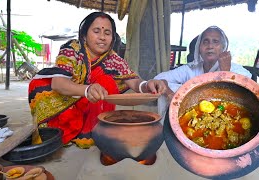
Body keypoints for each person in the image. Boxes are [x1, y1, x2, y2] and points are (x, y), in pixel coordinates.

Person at [28, 12, 167, 148]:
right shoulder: (72, 49)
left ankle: (94, 129)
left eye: (107, 33)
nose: (102, 37)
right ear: (84, 35)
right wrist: (88, 89)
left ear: (112, 38)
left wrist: (148, 84)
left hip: (86, 99)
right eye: (96, 31)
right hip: (61, 98)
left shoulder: (113, 58)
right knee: (60, 123)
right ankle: (66, 128)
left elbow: (134, 81)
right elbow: (58, 84)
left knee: (107, 81)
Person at [154, 26, 259, 122]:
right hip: (196, 117)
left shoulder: (234, 69)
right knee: (173, 88)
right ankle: (176, 126)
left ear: (223, 48)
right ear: (199, 48)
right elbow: (159, 79)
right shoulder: (191, 68)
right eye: (205, 42)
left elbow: (249, 85)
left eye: (216, 42)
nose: (210, 46)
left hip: (226, 117)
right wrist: (170, 94)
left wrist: (225, 72)